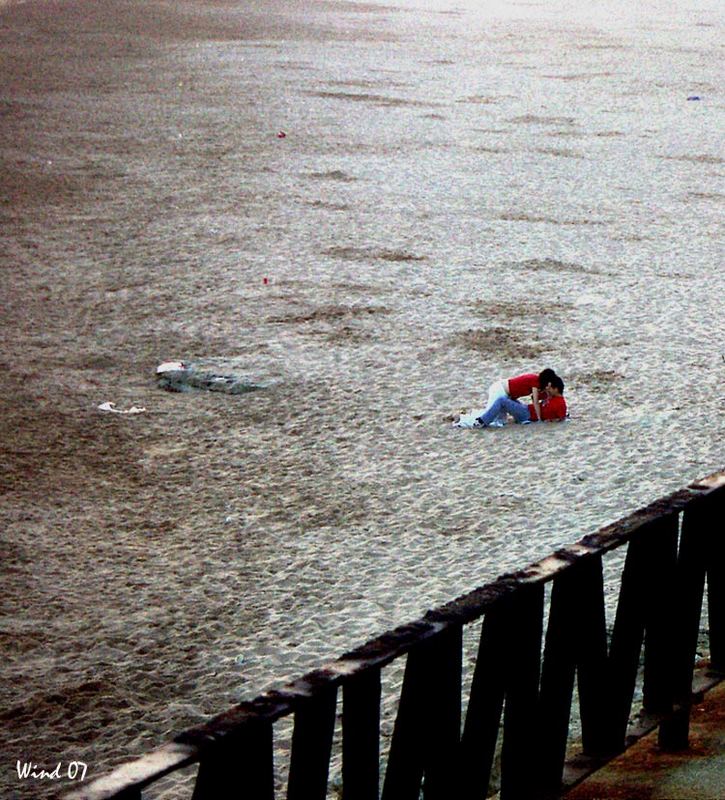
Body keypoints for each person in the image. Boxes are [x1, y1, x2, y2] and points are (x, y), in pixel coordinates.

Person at [473, 375, 567, 427]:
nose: (548, 389)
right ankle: (489, 417)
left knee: (502, 400)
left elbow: (561, 419)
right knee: (508, 400)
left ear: (556, 389)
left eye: (550, 388)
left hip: (527, 414)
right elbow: (535, 399)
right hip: (527, 410)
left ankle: (482, 421)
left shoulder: (560, 403)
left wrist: (541, 420)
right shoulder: (550, 396)